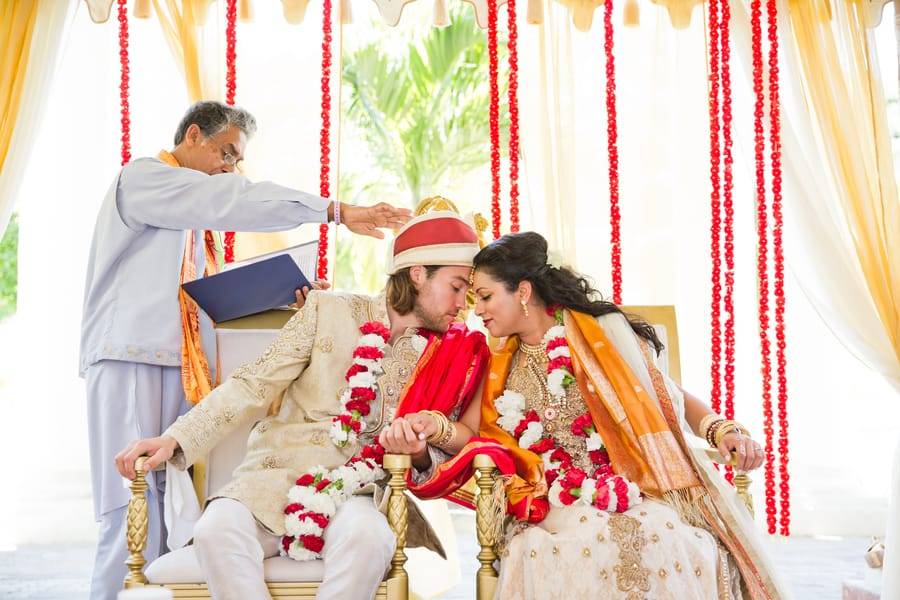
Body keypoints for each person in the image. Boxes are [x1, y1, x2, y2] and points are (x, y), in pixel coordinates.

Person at [81, 100, 411, 600]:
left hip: (187, 364)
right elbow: (235, 199)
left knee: (176, 502)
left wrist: (289, 297)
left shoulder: (194, 218)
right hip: (131, 357)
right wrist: (337, 212)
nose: (230, 168)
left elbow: (209, 300)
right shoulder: (145, 179)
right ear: (193, 135)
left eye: (236, 160)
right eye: (226, 153)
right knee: (127, 503)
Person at [115, 211, 490, 599]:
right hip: (271, 477)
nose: (463, 304)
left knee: (371, 541)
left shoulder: (451, 353)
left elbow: (448, 443)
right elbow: (252, 383)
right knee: (215, 531)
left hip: (355, 493)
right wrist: (175, 439)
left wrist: (417, 452)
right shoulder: (327, 310)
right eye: (457, 287)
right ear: (416, 274)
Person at [468, 232, 790, 599]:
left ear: (522, 292)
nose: (477, 309)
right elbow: (477, 433)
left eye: (485, 296)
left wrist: (721, 429)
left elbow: (666, 397)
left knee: (668, 538)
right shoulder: (495, 365)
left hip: (630, 484)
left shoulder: (596, 335)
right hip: (549, 500)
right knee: (575, 549)